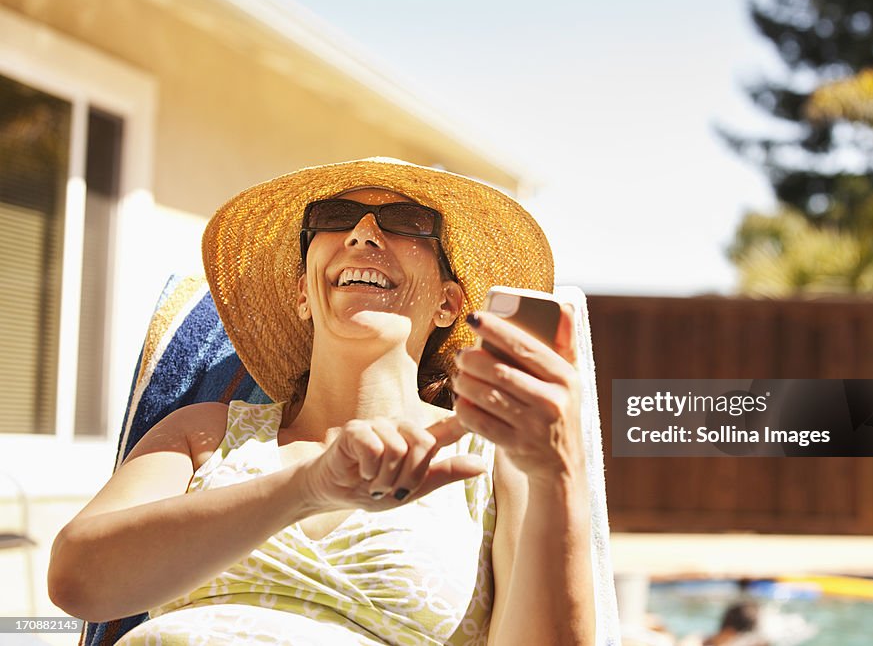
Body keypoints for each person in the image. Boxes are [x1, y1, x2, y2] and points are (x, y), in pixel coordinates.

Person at [48, 158, 595, 645]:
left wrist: (561, 474)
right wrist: (306, 488)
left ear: (450, 304)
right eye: (333, 217)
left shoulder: (496, 459)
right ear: (304, 293)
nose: (361, 234)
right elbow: (78, 583)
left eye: (407, 223)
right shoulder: (205, 432)